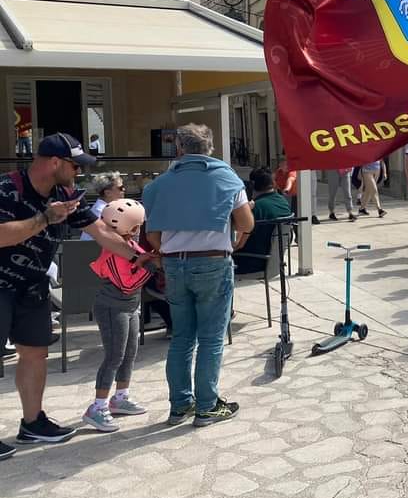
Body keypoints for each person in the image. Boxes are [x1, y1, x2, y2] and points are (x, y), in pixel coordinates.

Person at [0, 133, 152, 459]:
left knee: (35, 354)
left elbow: (102, 232)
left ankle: (32, 423)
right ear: (55, 162)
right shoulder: (7, 188)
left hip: (32, 286)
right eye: (75, 165)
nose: (79, 172)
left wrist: (138, 256)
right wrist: (45, 218)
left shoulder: (66, 195)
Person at [143, 124, 253, 428]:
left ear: (179, 149)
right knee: (211, 339)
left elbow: (152, 235)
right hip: (213, 262)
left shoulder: (160, 184)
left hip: (176, 265)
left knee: (181, 338)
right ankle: (207, 407)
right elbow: (246, 222)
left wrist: (167, 253)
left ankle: (180, 406)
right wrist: (235, 241)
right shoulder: (226, 177)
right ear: (210, 148)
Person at [82, 199, 154, 432]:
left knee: (130, 353)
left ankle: (120, 397)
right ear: (129, 226)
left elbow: (143, 259)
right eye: (137, 226)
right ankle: (97, 407)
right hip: (113, 307)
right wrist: (150, 268)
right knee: (114, 355)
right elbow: (126, 284)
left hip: (130, 307)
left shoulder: (130, 243)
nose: (139, 229)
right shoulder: (112, 252)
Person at [234, 167, 293, 275]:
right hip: (275, 262)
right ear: (273, 183)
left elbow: (238, 244)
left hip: (251, 263)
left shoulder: (255, 209)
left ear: (252, 185)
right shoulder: (283, 202)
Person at [80, 172, 126, 240]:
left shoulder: (103, 208)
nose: (124, 189)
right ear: (108, 193)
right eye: (121, 188)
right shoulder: (103, 211)